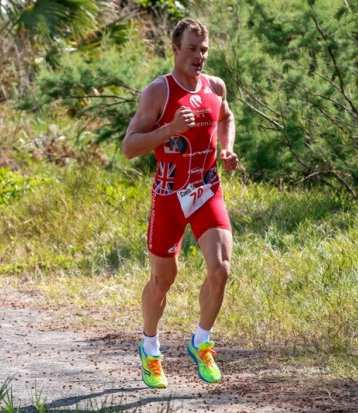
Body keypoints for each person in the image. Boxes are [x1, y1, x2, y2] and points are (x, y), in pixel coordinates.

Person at [122, 18, 239, 389]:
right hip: (169, 196)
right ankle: (150, 349)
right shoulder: (158, 92)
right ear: (175, 49)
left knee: (220, 270)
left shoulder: (215, 86)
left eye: (203, 50)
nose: (199, 56)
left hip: (207, 190)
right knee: (163, 280)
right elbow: (129, 147)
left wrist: (226, 148)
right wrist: (170, 129)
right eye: (191, 49)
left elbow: (226, 116)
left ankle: (200, 343)